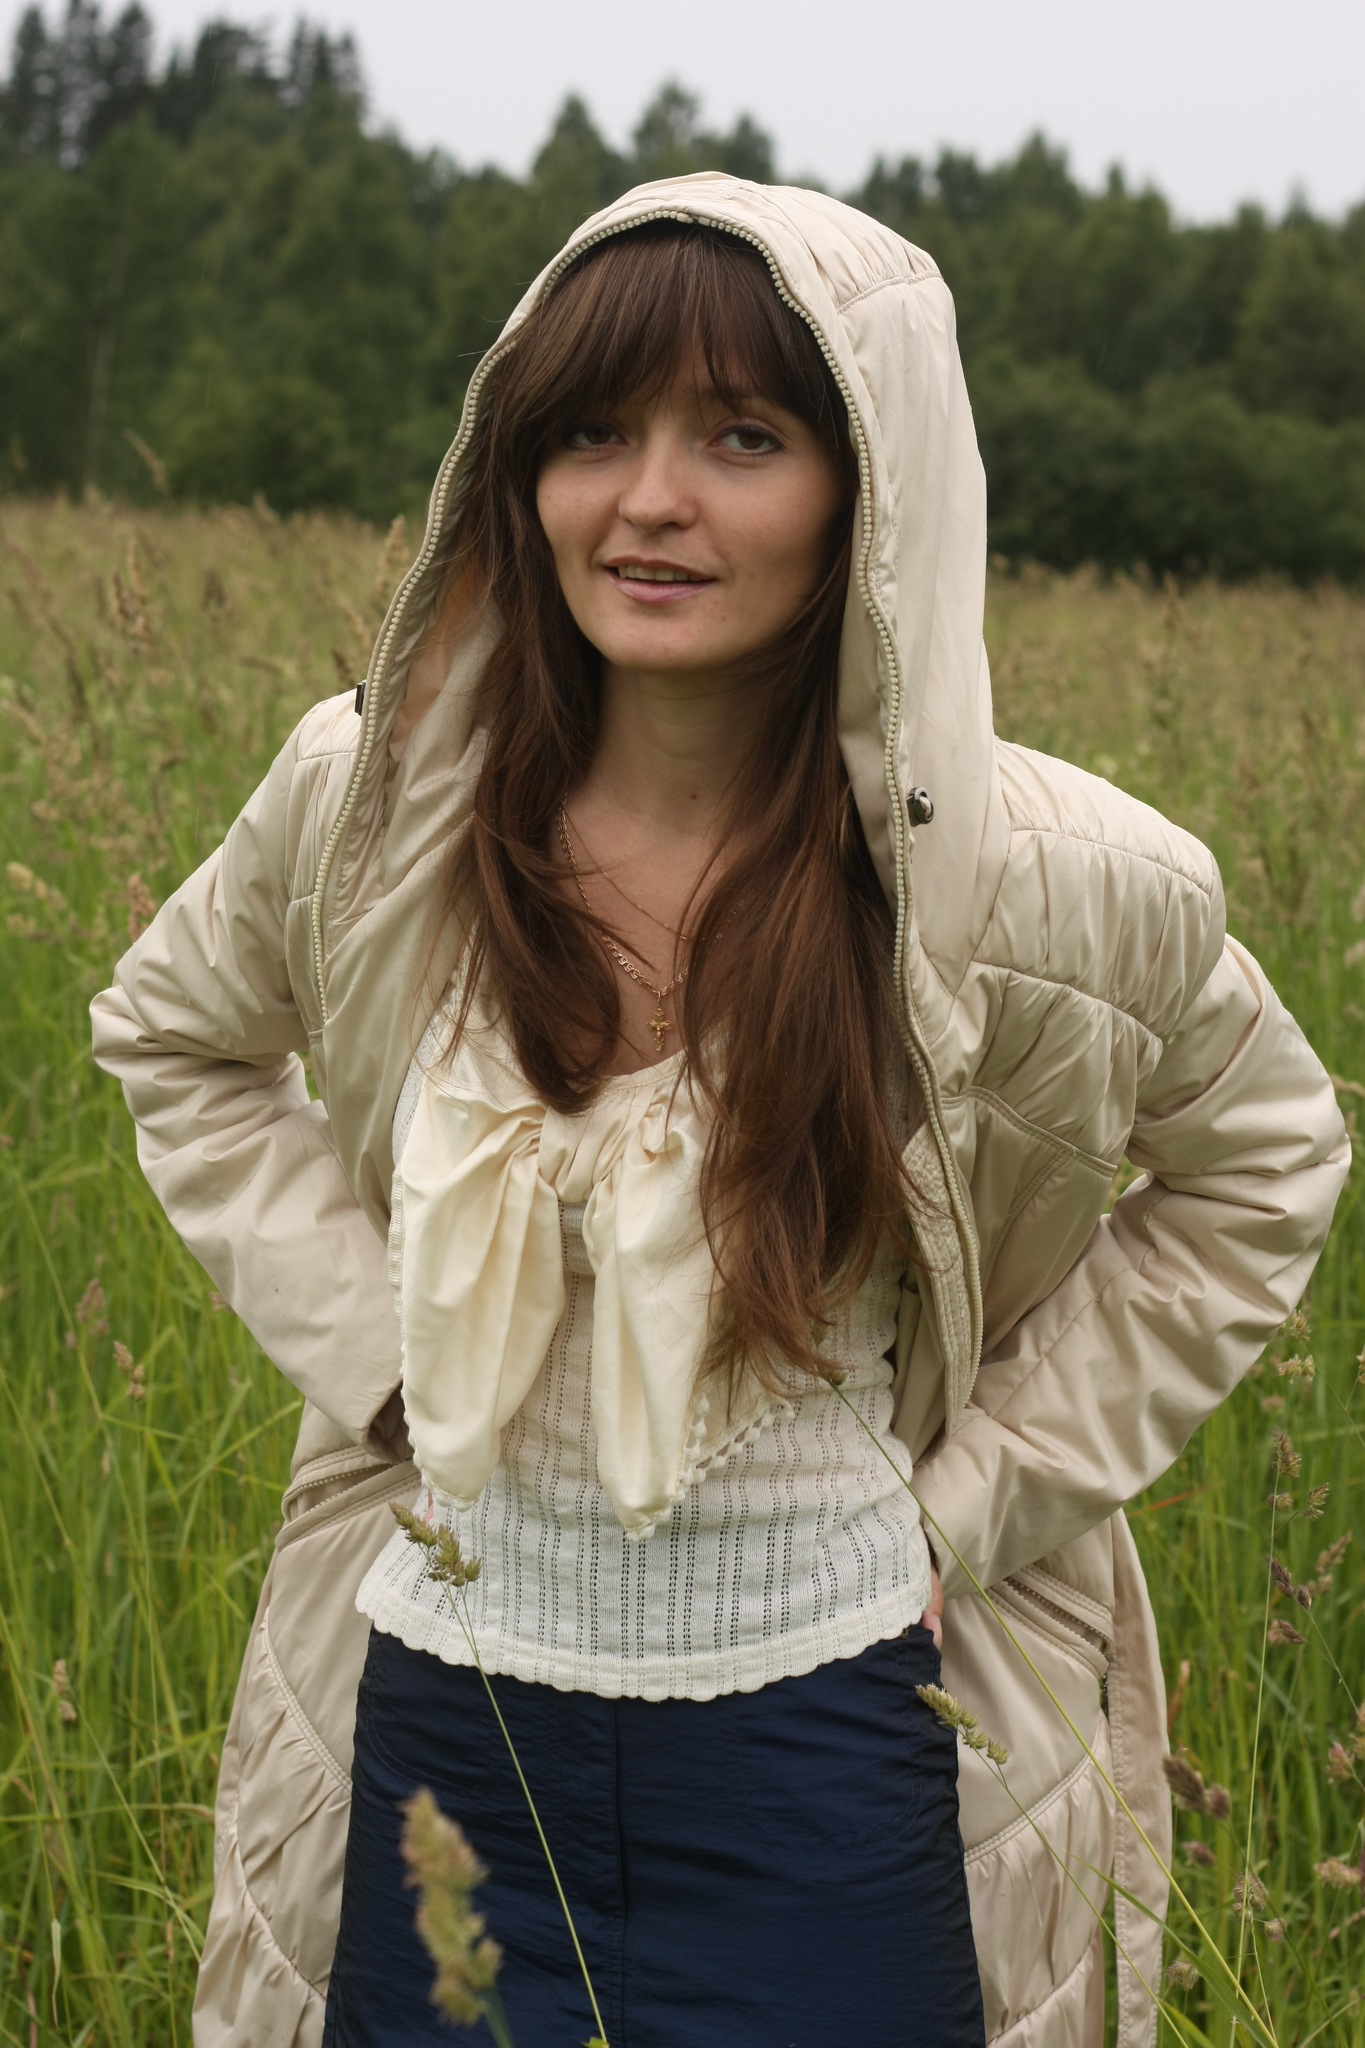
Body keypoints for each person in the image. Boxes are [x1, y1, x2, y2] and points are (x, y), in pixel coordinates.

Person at [91, 175, 1348, 2048]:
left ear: (870, 491)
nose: (648, 501)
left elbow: (1263, 1160)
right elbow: (174, 1040)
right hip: (443, 1723)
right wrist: (385, 1373)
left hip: (833, 1757)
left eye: (740, 437)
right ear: (516, 465)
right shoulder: (373, 800)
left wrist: (968, 1511)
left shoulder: (1049, 879)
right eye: (592, 432)